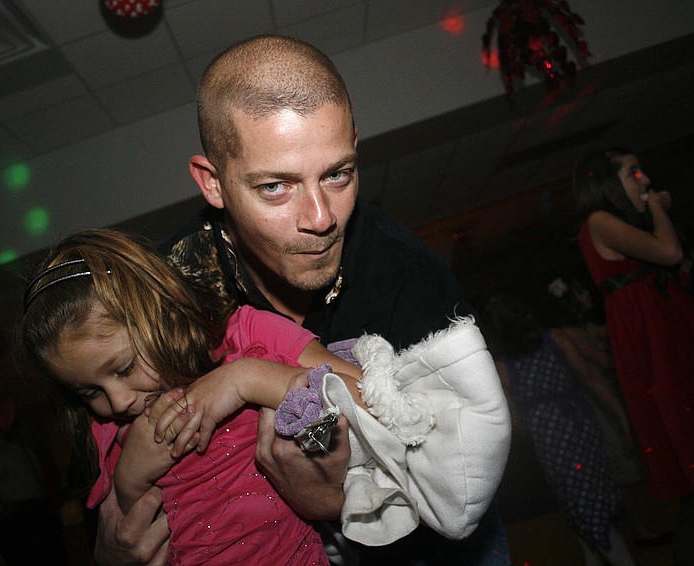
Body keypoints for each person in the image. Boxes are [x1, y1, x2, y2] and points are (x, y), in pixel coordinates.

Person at [94, 34, 511, 566]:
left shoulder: (404, 273)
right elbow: (118, 497)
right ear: (213, 183)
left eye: (338, 174)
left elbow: (458, 489)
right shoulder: (165, 295)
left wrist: (328, 503)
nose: (321, 218)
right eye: (275, 187)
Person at [20, 229, 508, 565]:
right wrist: (130, 475)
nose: (117, 402)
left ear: (160, 312)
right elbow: (133, 542)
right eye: (90, 392)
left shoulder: (246, 336)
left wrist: (244, 379)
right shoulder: (111, 432)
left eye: (123, 368)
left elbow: (368, 401)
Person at [573, 147, 694, 565]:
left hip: (670, 338)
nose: (645, 180)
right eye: (633, 173)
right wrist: (655, 206)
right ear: (607, 182)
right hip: (657, 350)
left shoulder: (615, 222)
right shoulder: (599, 221)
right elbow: (669, 253)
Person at [484, 292, 637, 566]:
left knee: (577, 498)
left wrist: (538, 428)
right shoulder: (556, 339)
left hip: (551, 444)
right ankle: (603, 555)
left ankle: (613, 557)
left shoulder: (501, 368)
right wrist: (622, 416)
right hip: (581, 428)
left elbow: (514, 420)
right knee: (590, 493)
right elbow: (592, 378)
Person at [0, 426, 69, 566]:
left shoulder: (28, 452)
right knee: (28, 553)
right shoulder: (5, 456)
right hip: (21, 512)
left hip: (39, 508)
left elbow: (39, 479)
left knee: (50, 550)